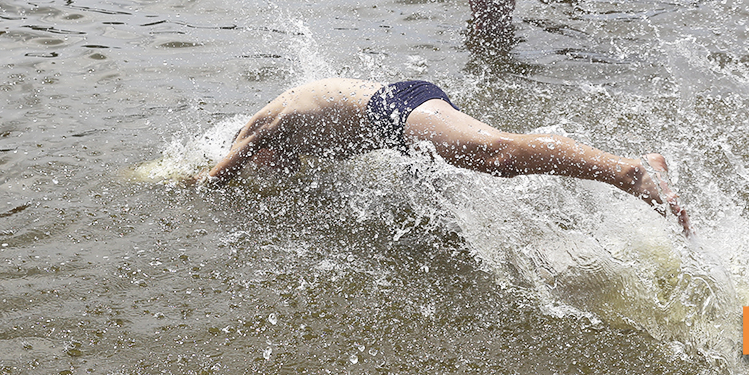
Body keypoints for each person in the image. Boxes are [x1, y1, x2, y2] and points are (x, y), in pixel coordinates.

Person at [191, 78, 692, 235]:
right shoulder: (288, 140)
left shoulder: (259, 130)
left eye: (259, 162)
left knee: (495, 154)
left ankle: (632, 170)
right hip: (396, 115)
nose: (268, 171)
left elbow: (213, 181)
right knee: (491, 166)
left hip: (394, 107)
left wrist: (180, 187)